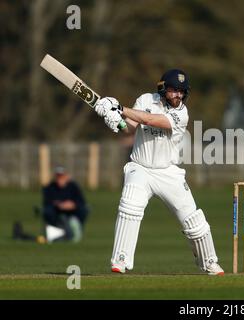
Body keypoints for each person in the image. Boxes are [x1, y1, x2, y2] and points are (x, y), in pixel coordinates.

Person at [94, 69, 225, 275]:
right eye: (174, 90)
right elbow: (131, 127)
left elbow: (151, 121)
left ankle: (209, 262)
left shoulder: (182, 113)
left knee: (194, 222)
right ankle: (120, 259)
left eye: (182, 92)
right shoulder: (145, 99)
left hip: (168, 172)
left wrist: (119, 107)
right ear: (163, 88)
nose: (178, 96)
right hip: (140, 168)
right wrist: (116, 120)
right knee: (130, 206)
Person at [41, 166, 89, 242]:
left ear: (66, 176)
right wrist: (59, 205)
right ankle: (54, 231)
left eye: (62, 176)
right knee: (48, 211)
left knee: (84, 209)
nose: (60, 178)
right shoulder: (50, 187)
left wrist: (72, 205)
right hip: (56, 211)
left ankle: (77, 228)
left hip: (72, 211)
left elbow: (81, 201)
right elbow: (47, 202)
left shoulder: (73, 186)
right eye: (58, 176)